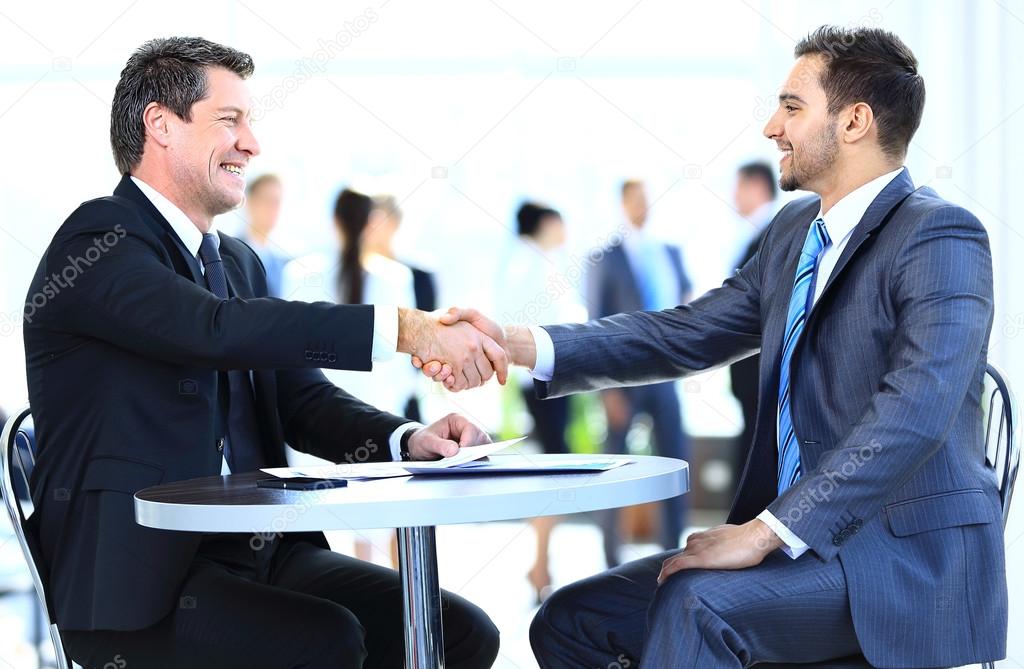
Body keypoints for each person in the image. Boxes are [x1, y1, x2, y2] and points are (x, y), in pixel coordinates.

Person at [419, 25, 1006, 668]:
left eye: (791, 106)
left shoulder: (939, 235)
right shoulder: (792, 232)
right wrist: (515, 341)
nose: (770, 128)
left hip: (897, 563)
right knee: (572, 619)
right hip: (800, 549)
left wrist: (764, 531)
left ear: (855, 121)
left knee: (697, 604)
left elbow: (915, 410)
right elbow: (686, 333)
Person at [23, 37, 503, 669]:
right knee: (324, 641)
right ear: (160, 125)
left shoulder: (238, 263)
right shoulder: (99, 239)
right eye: (231, 120)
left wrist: (408, 439)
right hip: (144, 583)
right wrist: (408, 330)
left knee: (459, 630)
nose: (252, 142)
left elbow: (301, 400)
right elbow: (212, 329)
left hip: (263, 553)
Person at [282, 187, 422, 567]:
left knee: (316, 534)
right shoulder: (395, 277)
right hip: (375, 418)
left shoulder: (300, 273)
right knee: (376, 533)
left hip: (315, 421)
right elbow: (403, 358)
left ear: (335, 221)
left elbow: (287, 352)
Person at [588, 180, 692, 568]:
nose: (642, 206)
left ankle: (673, 552)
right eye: (635, 199)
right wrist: (607, 390)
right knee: (612, 469)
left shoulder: (670, 253)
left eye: (647, 198)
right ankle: (610, 557)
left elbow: (688, 307)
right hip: (622, 379)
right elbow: (594, 323)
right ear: (622, 204)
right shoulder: (605, 258)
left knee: (676, 459)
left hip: (666, 375)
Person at [497, 202, 586, 602]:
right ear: (547, 224)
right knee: (556, 469)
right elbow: (560, 326)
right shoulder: (539, 265)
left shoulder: (518, 263)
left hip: (532, 382)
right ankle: (539, 563)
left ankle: (541, 562)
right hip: (544, 379)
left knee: (553, 468)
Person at [727, 161, 778, 493]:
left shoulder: (773, 235)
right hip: (756, 382)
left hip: (762, 380)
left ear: (758, 186)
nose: (734, 196)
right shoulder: (761, 234)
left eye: (739, 187)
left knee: (757, 477)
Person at [239, 173, 288, 296]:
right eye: (267, 200)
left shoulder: (281, 262)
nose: (272, 208)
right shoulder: (228, 254)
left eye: (277, 201)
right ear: (250, 203)